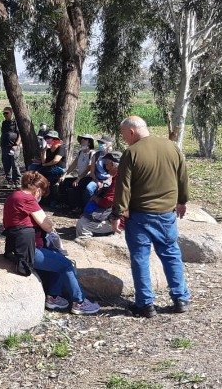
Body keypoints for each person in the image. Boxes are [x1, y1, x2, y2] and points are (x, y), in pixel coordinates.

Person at [110, 116, 190, 318]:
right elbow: (183, 176)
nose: (124, 139)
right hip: (166, 214)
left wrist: (117, 213)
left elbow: (123, 187)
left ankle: (145, 304)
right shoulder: (171, 147)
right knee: (171, 254)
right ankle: (180, 298)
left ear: (131, 132)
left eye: (123, 134)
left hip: (140, 216)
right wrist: (182, 201)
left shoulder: (131, 153)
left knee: (140, 258)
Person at [3, 171, 100, 315]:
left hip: (19, 247)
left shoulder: (13, 196)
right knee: (67, 265)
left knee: (57, 259)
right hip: (30, 251)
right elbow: (47, 225)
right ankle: (79, 302)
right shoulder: (27, 199)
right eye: (42, 192)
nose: (42, 195)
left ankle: (53, 297)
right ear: (37, 190)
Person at [75, 151, 122, 239]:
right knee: (86, 216)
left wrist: (95, 199)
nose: (105, 167)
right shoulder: (121, 176)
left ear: (112, 165)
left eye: (106, 164)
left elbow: (108, 202)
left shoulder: (119, 180)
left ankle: (85, 242)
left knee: (82, 224)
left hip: (119, 220)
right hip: (116, 214)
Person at [59, 134, 95, 210]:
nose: (82, 140)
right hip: (79, 177)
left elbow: (89, 168)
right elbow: (73, 165)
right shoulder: (80, 153)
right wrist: (65, 174)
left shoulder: (92, 154)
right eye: (82, 139)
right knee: (64, 182)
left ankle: (79, 207)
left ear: (89, 143)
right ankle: (65, 204)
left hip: (88, 177)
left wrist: (79, 179)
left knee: (78, 185)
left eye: (85, 139)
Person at [27, 130, 66, 196]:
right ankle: (34, 191)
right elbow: (43, 161)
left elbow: (55, 160)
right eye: (46, 138)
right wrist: (44, 150)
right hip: (48, 167)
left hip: (58, 168)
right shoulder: (48, 148)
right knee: (32, 168)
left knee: (38, 173)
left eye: (49, 138)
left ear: (55, 139)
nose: (47, 140)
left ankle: (42, 193)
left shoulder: (61, 148)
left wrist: (45, 164)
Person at [84, 135, 114, 204]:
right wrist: (97, 182)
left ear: (109, 144)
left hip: (109, 180)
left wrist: (105, 182)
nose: (101, 145)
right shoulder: (96, 155)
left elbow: (114, 174)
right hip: (97, 179)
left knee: (107, 190)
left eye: (103, 143)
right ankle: (88, 206)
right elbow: (92, 172)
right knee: (89, 189)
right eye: (100, 143)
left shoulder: (113, 156)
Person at [0, 107, 22, 189]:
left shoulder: (16, 123)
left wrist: (16, 144)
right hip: (5, 146)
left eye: (6, 113)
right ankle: (10, 181)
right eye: (4, 113)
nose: (5, 115)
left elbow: (20, 134)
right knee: (6, 164)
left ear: (11, 113)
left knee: (15, 164)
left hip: (14, 146)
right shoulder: (4, 123)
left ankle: (17, 181)